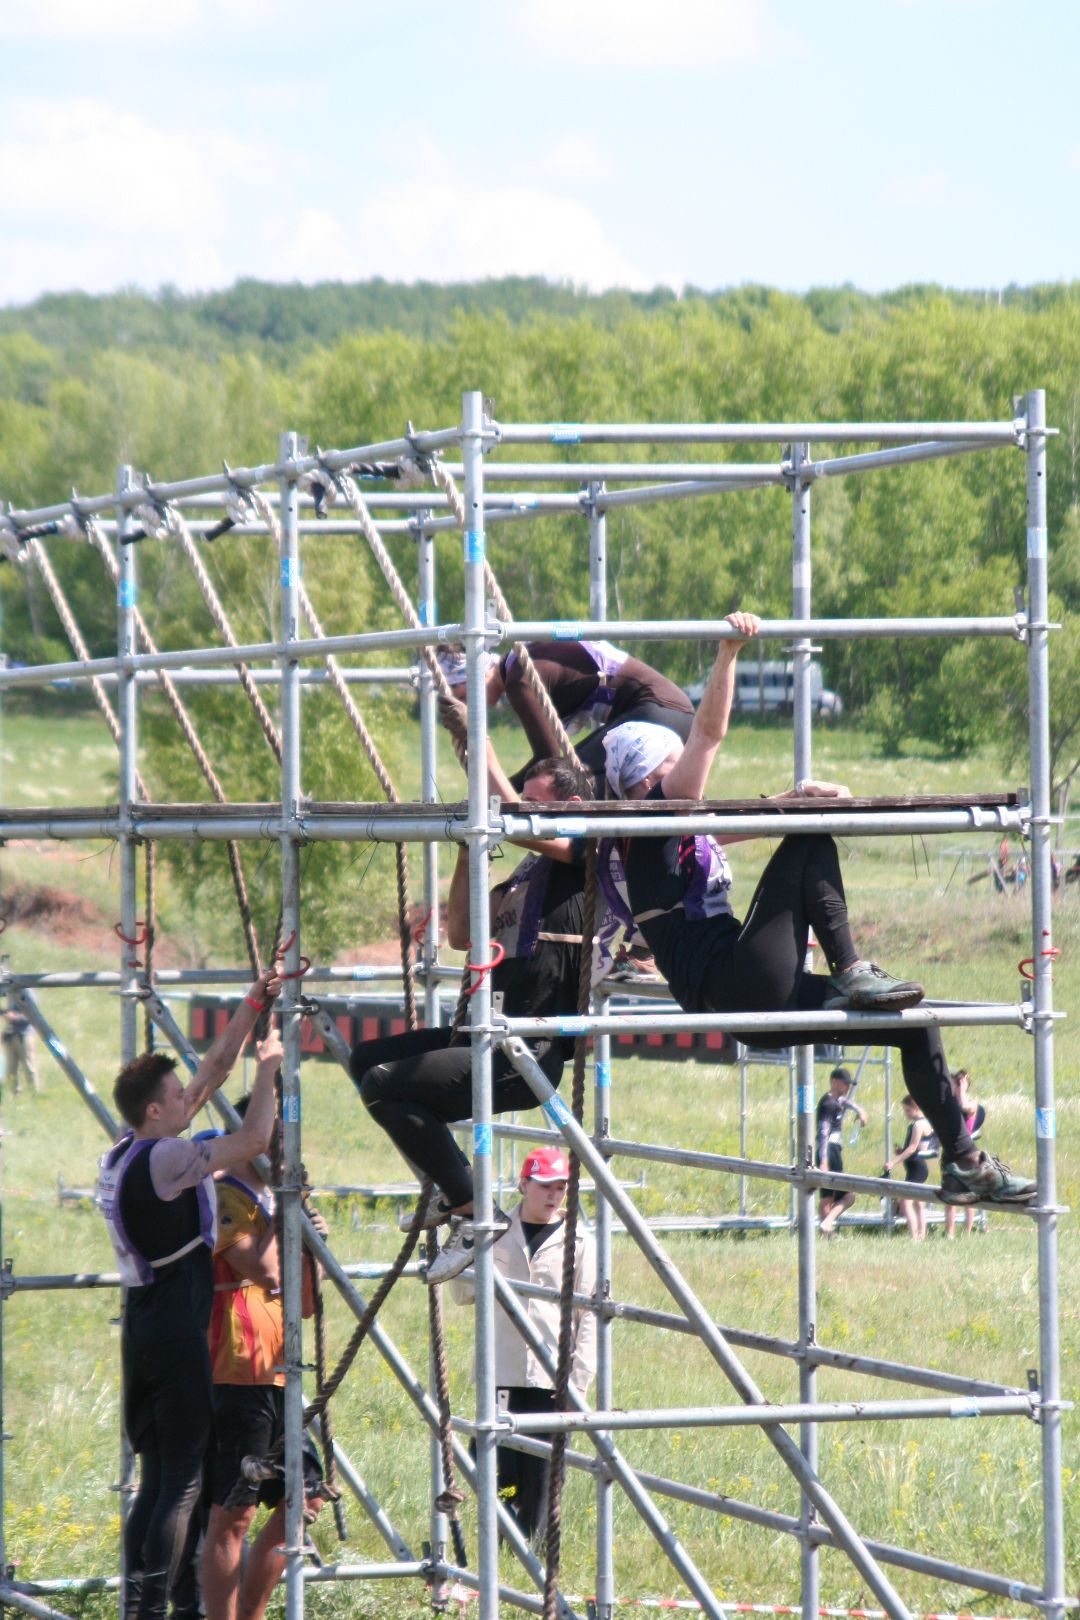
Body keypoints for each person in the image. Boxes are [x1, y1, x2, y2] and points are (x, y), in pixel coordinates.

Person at [599, 611, 1036, 1211]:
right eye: (669, 766)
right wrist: (727, 653)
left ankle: (965, 1163)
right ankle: (851, 968)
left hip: (746, 998)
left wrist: (796, 799)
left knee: (916, 1024)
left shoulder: (659, 840)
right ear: (644, 779)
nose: (684, 774)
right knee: (808, 841)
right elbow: (709, 737)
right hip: (737, 982)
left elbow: (740, 823)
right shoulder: (652, 820)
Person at [349, 749, 593, 1286]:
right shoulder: (525, 876)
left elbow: (564, 840)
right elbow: (461, 933)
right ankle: (456, 1183)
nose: (518, 811)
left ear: (570, 806)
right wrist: (467, 848)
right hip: (484, 1032)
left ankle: (469, 1203)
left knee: (383, 1084)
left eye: (532, 803)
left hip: (525, 1051)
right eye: (519, 802)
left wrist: (481, 771)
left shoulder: (585, 859)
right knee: (365, 1059)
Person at [97, 967, 283, 1620]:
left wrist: (254, 1002)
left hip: (144, 1325)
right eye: (178, 1097)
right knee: (181, 1484)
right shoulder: (170, 1159)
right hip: (177, 1328)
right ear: (156, 1110)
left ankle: (143, 1607)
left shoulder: (127, 1152)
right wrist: (270, 1068)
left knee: (157, 1482)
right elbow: (255, 1139)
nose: (192, 1099)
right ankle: (154, 1609)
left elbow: (210, 1074)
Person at [201, 1099, 330, 1620]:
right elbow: (266, 1270)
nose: (284, 1151)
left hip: (280, 1370)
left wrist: (312, 1243)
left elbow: (306, 1303)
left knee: (307, 1496)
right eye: (275, 1138)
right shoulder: (222, 1195)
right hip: (236, 1367)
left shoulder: (277, 1204)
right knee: (234, 1513)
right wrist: (290, 1218)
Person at [450, 1146, 596, 1545]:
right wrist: (464, 1241)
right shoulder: (494, 1231)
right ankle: (499, 1545)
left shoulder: (580, 1241)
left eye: (561, 1187)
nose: (554, 1195)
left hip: (552, 1379)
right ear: (523, 1184)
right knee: (496, 1470)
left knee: (544, 1477)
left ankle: (533, 1554)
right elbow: (462, 1295)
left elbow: (588, 1319)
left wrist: (578, 1383)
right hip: (502, 1372)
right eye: (545, 1186)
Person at [437, 637, 694, 790]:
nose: (461, 704)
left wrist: (499, 790)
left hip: (657, 711)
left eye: (459, 694)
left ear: (472, 675)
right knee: (573, 783)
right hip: (670, 713)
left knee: (564, 782)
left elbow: (549, 759)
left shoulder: (520, 680)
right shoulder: (520, 662)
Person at [816, 1066, 868, 1236]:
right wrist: (824, 1160)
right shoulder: (828, 1104)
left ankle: (827, 1228)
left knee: (837, 1195)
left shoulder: (836, 1100)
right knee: (835, 1197)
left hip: (834, 1151)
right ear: (834, 1082)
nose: (847, 1087)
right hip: (829, 1150)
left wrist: (860, 1110)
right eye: (845, 1083)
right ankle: (827, 1227)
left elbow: (844, 1101)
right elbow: (823, 1133)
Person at [884, 1096, 938, 1240]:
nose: (906, 1113)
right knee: (919, 1203)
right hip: (917, 1168)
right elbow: (917, 1147)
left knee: (905, 1203)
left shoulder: (918, 1125)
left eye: (908, 1110)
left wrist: (893, 1162)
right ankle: (922, 1234)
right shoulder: (922, 1123)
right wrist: (902, 1151)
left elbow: (913, 1148)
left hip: (916, 1168)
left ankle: (914, 1236)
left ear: (916, 1108)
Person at [943, 1069, 987, 1239]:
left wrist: (962, 1091)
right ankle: (950, 1234)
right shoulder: (950, 1105)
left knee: (968, 1195)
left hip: (967, 1155)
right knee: (950, 1194)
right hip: (951, 1153)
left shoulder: (972, 1104)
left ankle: (967, 1233)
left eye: (956, 1084)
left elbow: (964, 1107)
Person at [3, 1006, 40, 1095]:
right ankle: (15, 1096)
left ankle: (35, 1095)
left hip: (24, 1036)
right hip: (10, 1037)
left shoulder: (28, 997)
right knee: (10, 1070)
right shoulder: (10, 998)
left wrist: (15, 1018)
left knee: (29, 1068)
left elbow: (32, 1015)